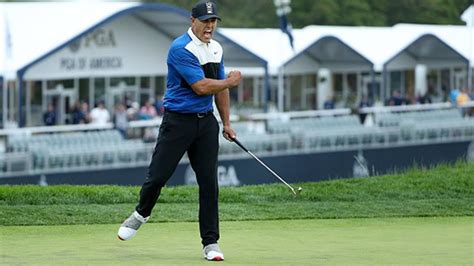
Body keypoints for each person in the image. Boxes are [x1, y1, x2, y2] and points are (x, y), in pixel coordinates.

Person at [117, 1, 241, 262]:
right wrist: (229, 80)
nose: (210, 26)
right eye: (205, 21)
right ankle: (141, 213)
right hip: (178, 123)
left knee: (209, 183)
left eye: (213, 21)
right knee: (157, 177)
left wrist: (227, 123)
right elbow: (202, 86)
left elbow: (220, 89)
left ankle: (211, 243)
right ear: (192, 20)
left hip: (206, 122)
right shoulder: (180, 48)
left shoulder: (216, 48)